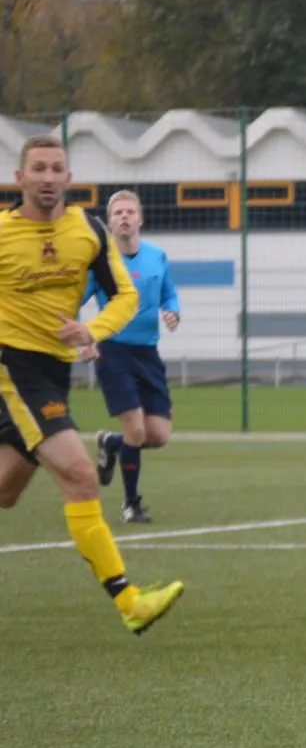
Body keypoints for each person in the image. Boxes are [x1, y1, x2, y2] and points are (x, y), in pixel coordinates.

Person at [0, 136, 185, 633]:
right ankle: (129, 601)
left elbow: (124, 296)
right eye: (38, 168)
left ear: (68, 178)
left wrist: (93, 330)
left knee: (5, 493)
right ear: (20, 178)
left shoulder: (88, 231)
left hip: (53, 374)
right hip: (13, 370)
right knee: (82, 475)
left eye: (56, 168)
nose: (47, 177)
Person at [83, 190, 180, 522]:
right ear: (109, 223)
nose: (124, 217)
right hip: (112, 352)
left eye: (129, 212)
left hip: (147, 353)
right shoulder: (102, 262)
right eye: (117, 213)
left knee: (158, 435)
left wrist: (173, 312)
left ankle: (111, 444)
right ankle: (131, 505)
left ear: (140, 218)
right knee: (136, 431)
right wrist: (85, 338)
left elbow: (169, 294)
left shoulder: (157, 257)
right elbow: (74, 301)